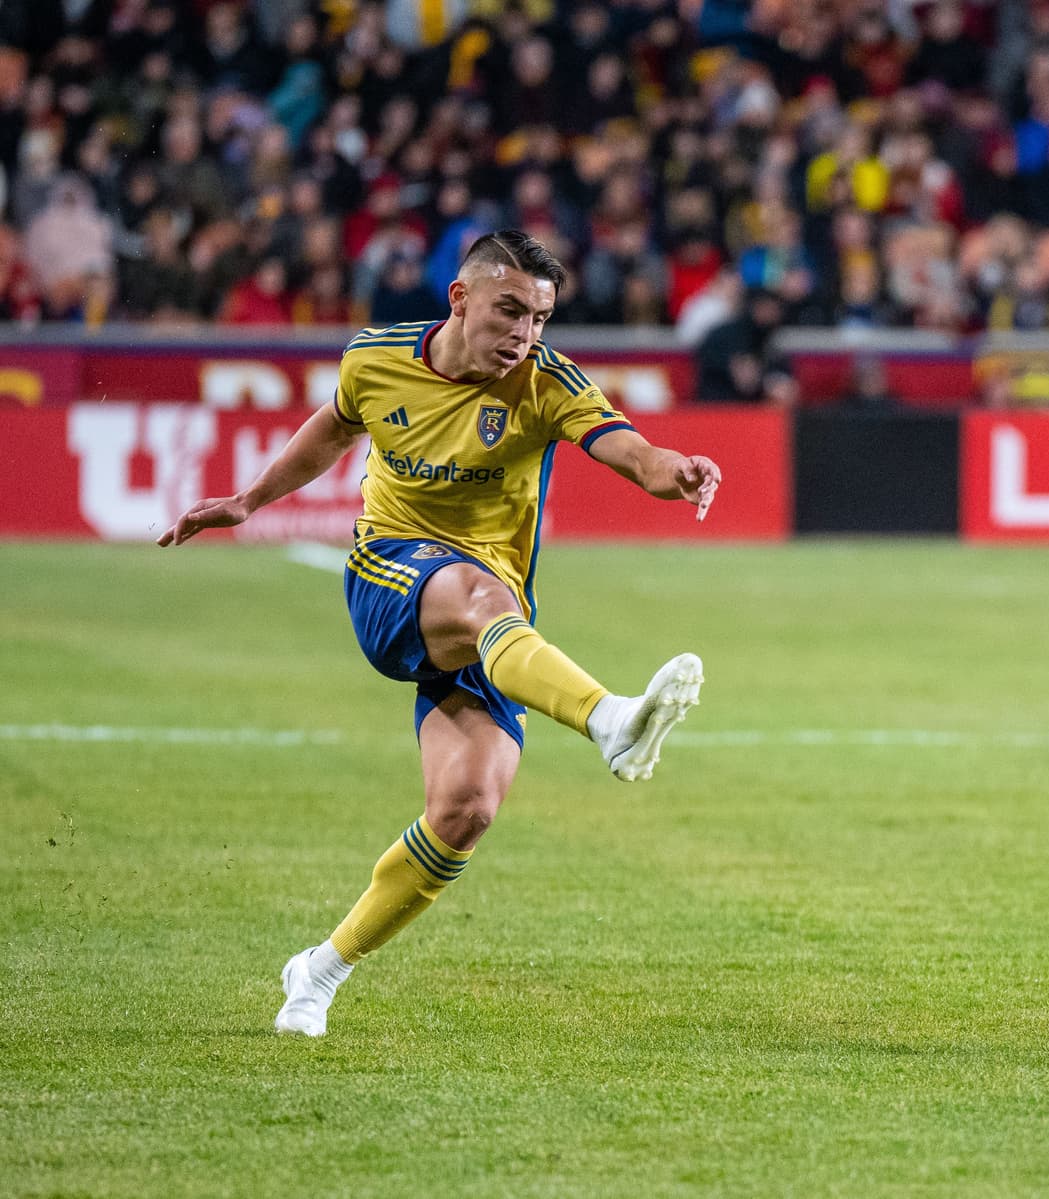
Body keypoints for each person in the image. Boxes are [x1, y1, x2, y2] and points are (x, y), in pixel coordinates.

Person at [156, 231, 722, 1038]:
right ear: (460, 298)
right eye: (510, 311)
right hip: (390, 578)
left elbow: (630, 452)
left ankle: (318, 971)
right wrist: (249, 500)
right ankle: (609, 719)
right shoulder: (376, 358)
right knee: (483, 596)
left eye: (540, 317)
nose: (524, 333)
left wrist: (679, 470)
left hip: (493, 627)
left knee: (466, 807)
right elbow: (335, 426)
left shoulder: (545, 381)